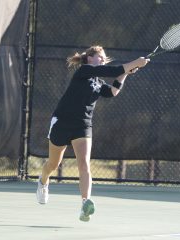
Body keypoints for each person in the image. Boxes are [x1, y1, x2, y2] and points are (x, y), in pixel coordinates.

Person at [36, 45, 149, 222]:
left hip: (83, 125)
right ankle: (43, 181)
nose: (103, 60)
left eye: (104, 58)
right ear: (89, 58)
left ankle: (85, 203)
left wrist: (126, 73)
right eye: (100, 57)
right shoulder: (84, 71)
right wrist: (135, 63)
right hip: (62, 122)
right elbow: (111, 70)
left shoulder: (98, 82)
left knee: (84, 164)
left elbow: (112, 92)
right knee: (53, 164)